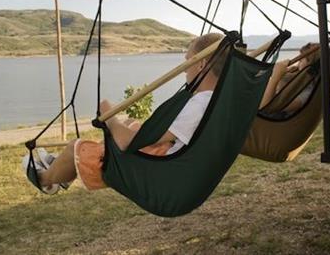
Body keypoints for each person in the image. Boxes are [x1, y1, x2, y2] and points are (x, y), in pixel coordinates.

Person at [22, 33, 227, 194]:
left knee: (76, 148)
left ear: (201, 63)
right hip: (183, 164)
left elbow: (126, 143)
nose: (184, 69)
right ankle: (63, 171)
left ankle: (46, 180)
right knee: (131, 122)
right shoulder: (222, 98)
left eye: (188, 61)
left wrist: (109, 116)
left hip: (162, 172)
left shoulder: (200, 105)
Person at [260, 43, 319, 113]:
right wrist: (283, 76)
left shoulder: (307, 94)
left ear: (310, 64)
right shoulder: (302, 83)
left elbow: (264, 108)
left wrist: (275, 78)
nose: (298, 63)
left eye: (301, 60)